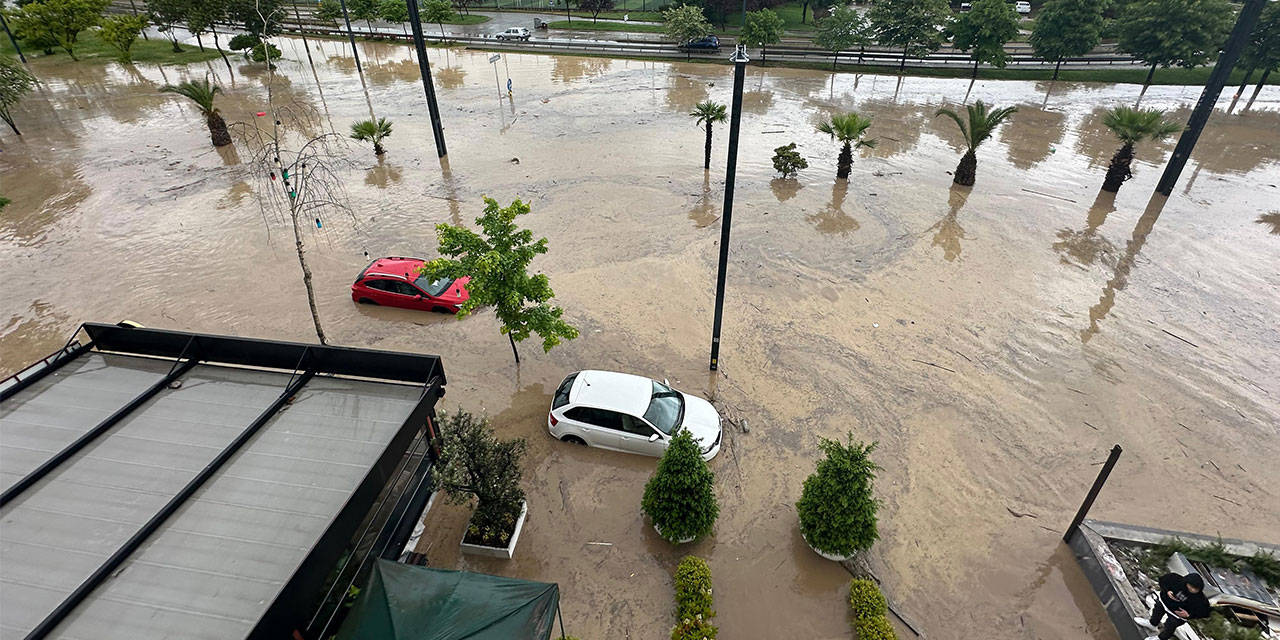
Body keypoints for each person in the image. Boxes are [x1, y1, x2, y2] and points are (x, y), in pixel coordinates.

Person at [1135, 572, 1211, 640]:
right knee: (1157, 610)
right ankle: (1152, 624)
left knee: (1171, 625)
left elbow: (1205, 613)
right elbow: (1162, 580)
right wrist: (1167, 591)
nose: (1192, 589)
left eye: (1196, 589)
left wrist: (1189, 615)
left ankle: (1161, 638)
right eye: (1191, 586)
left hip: (1178, 614)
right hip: (1165, 602)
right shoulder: (1175, 579)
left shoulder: (1200, 599)